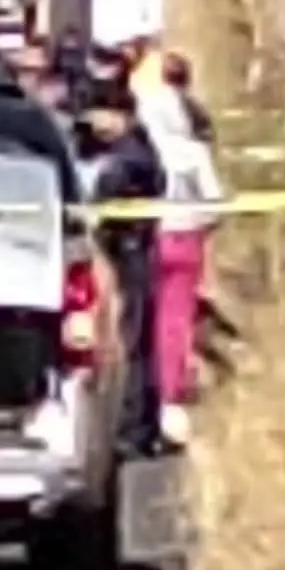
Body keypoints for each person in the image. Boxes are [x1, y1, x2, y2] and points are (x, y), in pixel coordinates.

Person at [139, 57, 224, 448]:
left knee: (144, 319)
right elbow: (215, 203)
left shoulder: (144, 150)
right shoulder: (193, 151)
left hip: (149, 239)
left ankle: (148, 394)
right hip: (188, 239)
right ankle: (173, 398)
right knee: (177, 320)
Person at [78, 82, 167, 457]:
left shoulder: (130, 158)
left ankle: (133, 429)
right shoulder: (140, 150)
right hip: (136, 251)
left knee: (132, 345)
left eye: (98, 115)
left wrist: (101, 222)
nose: (94, 125)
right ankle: (139, 425)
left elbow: (109, 205)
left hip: (130, 255)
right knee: (138, 343)